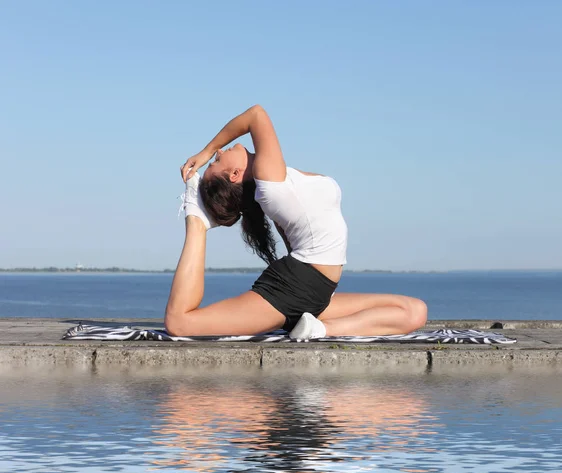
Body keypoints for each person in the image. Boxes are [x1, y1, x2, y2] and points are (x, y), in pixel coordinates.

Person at [165, 105, 427, 339]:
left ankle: (317, 329)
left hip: (316, 291)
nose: (221, 150)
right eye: (218, 160)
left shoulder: (273, 185)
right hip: (293, 289)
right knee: (181, 323)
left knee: (414, 311)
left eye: (216, 155)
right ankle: (197, 220)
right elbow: (256, 115)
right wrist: (206, 150)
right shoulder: (269, 182)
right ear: (235, 174)